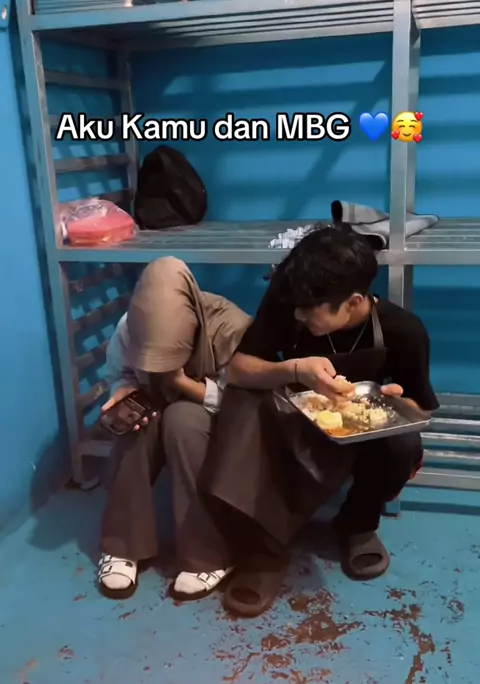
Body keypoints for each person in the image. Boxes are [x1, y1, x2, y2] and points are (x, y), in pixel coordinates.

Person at [195, 224, 439, 618]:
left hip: (356, 436)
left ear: (354, 301)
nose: (299, 314)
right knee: (242, 404)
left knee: (402, 444)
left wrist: (394, 403)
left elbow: (421, 406)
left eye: (311, 310)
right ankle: (264, 553)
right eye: (296, 306)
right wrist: (294, 369)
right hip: (289, 421)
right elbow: (239, 370)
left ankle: (357, 525)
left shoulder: (403, 330)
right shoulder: (290, 302)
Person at [97, 256, 251, 601]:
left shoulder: (232, 327)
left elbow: (241, 403)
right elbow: (120, 373)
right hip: (154, 400)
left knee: (182, 422)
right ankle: (123, 544)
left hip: (210, 412)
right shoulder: (129, 327)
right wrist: (124, 391)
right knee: (134, 426)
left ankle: (209, 554)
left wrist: (179, 381)